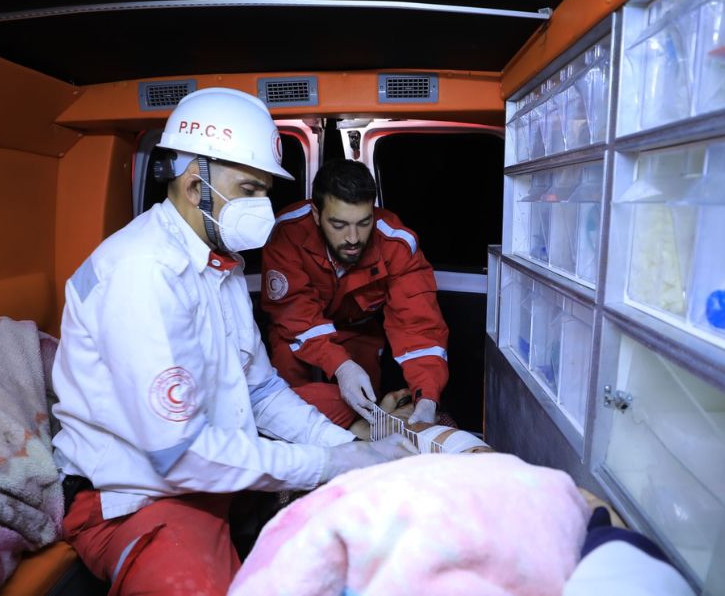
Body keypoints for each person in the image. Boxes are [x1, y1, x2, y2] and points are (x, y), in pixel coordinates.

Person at [49, 88, 408, 596]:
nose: (263, 207)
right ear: (196, 186)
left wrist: (348, 449)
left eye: (265, 191)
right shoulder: (142, 274)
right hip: (136, 499)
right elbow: (180, 455)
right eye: (249, 189)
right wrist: (326, 465)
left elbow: (260, 391)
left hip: (216, 478)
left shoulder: (222, 267)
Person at [260, 158, 450, 429]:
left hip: (357, 331)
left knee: (364, 404)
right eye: (339, 225)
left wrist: (428, 398)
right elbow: (295, 314)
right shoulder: (287, 233)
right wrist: (340, 365)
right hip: (297, 331)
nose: (353, 238)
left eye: (363, 223)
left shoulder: (396, 244)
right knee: (286, 409)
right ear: (316, 214)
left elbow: (419, 328)